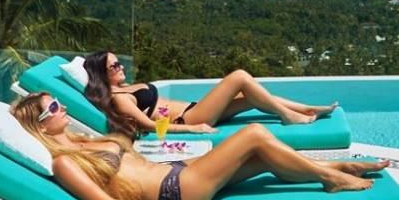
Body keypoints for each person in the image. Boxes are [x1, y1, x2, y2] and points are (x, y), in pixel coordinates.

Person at [11, 91, 385, 200]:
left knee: (263, 157)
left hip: (174, 171)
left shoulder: (79, 142)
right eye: (53, 108)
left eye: (58, 103)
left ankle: (334, 167)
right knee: (254, 134)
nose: (61, 110)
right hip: (177, 189)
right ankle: (332, 178)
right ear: (41, 127)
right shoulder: (63, 162)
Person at [80, 49, 336, 136]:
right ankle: (288, 116)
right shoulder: (118, 99)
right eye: (114, 66)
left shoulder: (125, 89)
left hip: (193, 109)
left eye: (118, 62)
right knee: (239, 76)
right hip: (190, 119)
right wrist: (192, 128)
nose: (120, 65)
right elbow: (148, 126)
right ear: (103, 74)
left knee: (250, 96)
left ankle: (306, 109)